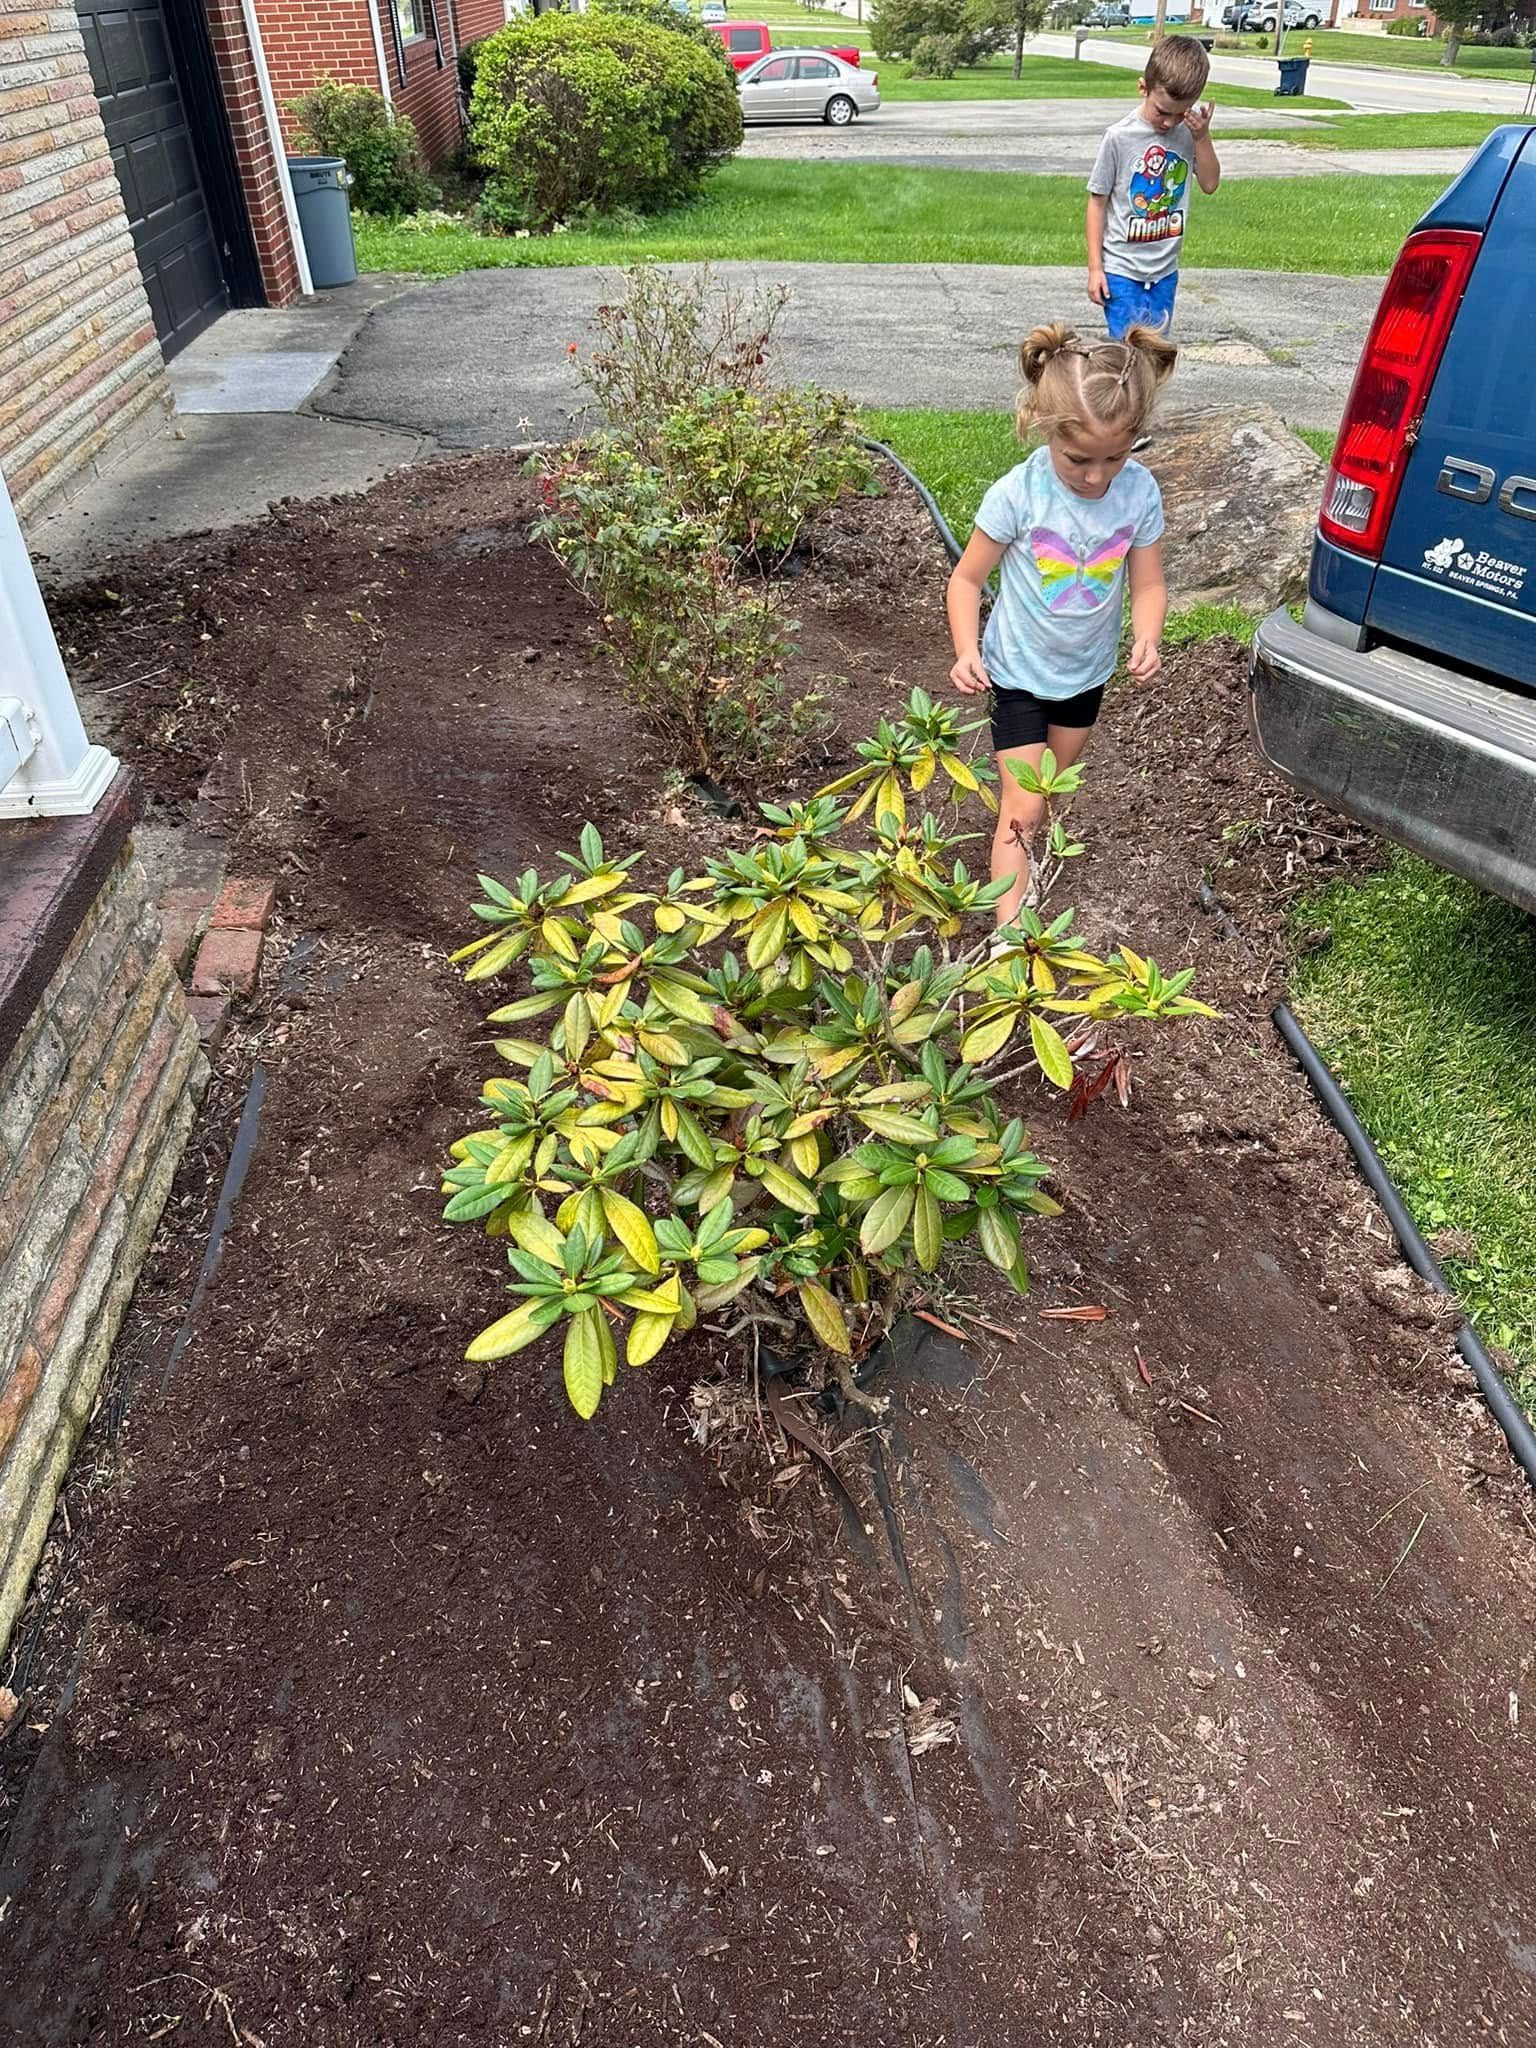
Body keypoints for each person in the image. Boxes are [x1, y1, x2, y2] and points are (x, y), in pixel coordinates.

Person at [945, 322, 1175, 934]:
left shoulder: (1139, 494)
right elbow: (966, 581)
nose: (1097, 476)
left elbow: (1147, 583)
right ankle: (1009, 935)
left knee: (1050, 795)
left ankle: (1022, 858)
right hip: (1016, 672)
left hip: (1085, 676)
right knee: (1022, 805)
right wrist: (967, 649)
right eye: (1079, 459)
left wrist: (1147, 633)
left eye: (1114, 457)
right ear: (1044, 429)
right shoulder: (1018, 495)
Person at [1086, 34, 1221, 342]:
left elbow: (1210, 184)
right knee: (1124, 351)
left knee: (1155, 355)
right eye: (1162, 111)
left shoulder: (1189, 133)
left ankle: (1144, 394)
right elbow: (1097, 203)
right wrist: (1096, 268)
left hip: (1164, 272)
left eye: (1180, 113)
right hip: (1121, 270)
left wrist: (1202, 138)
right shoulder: (1119, 137)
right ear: (1142, 88)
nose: (1169, 123)